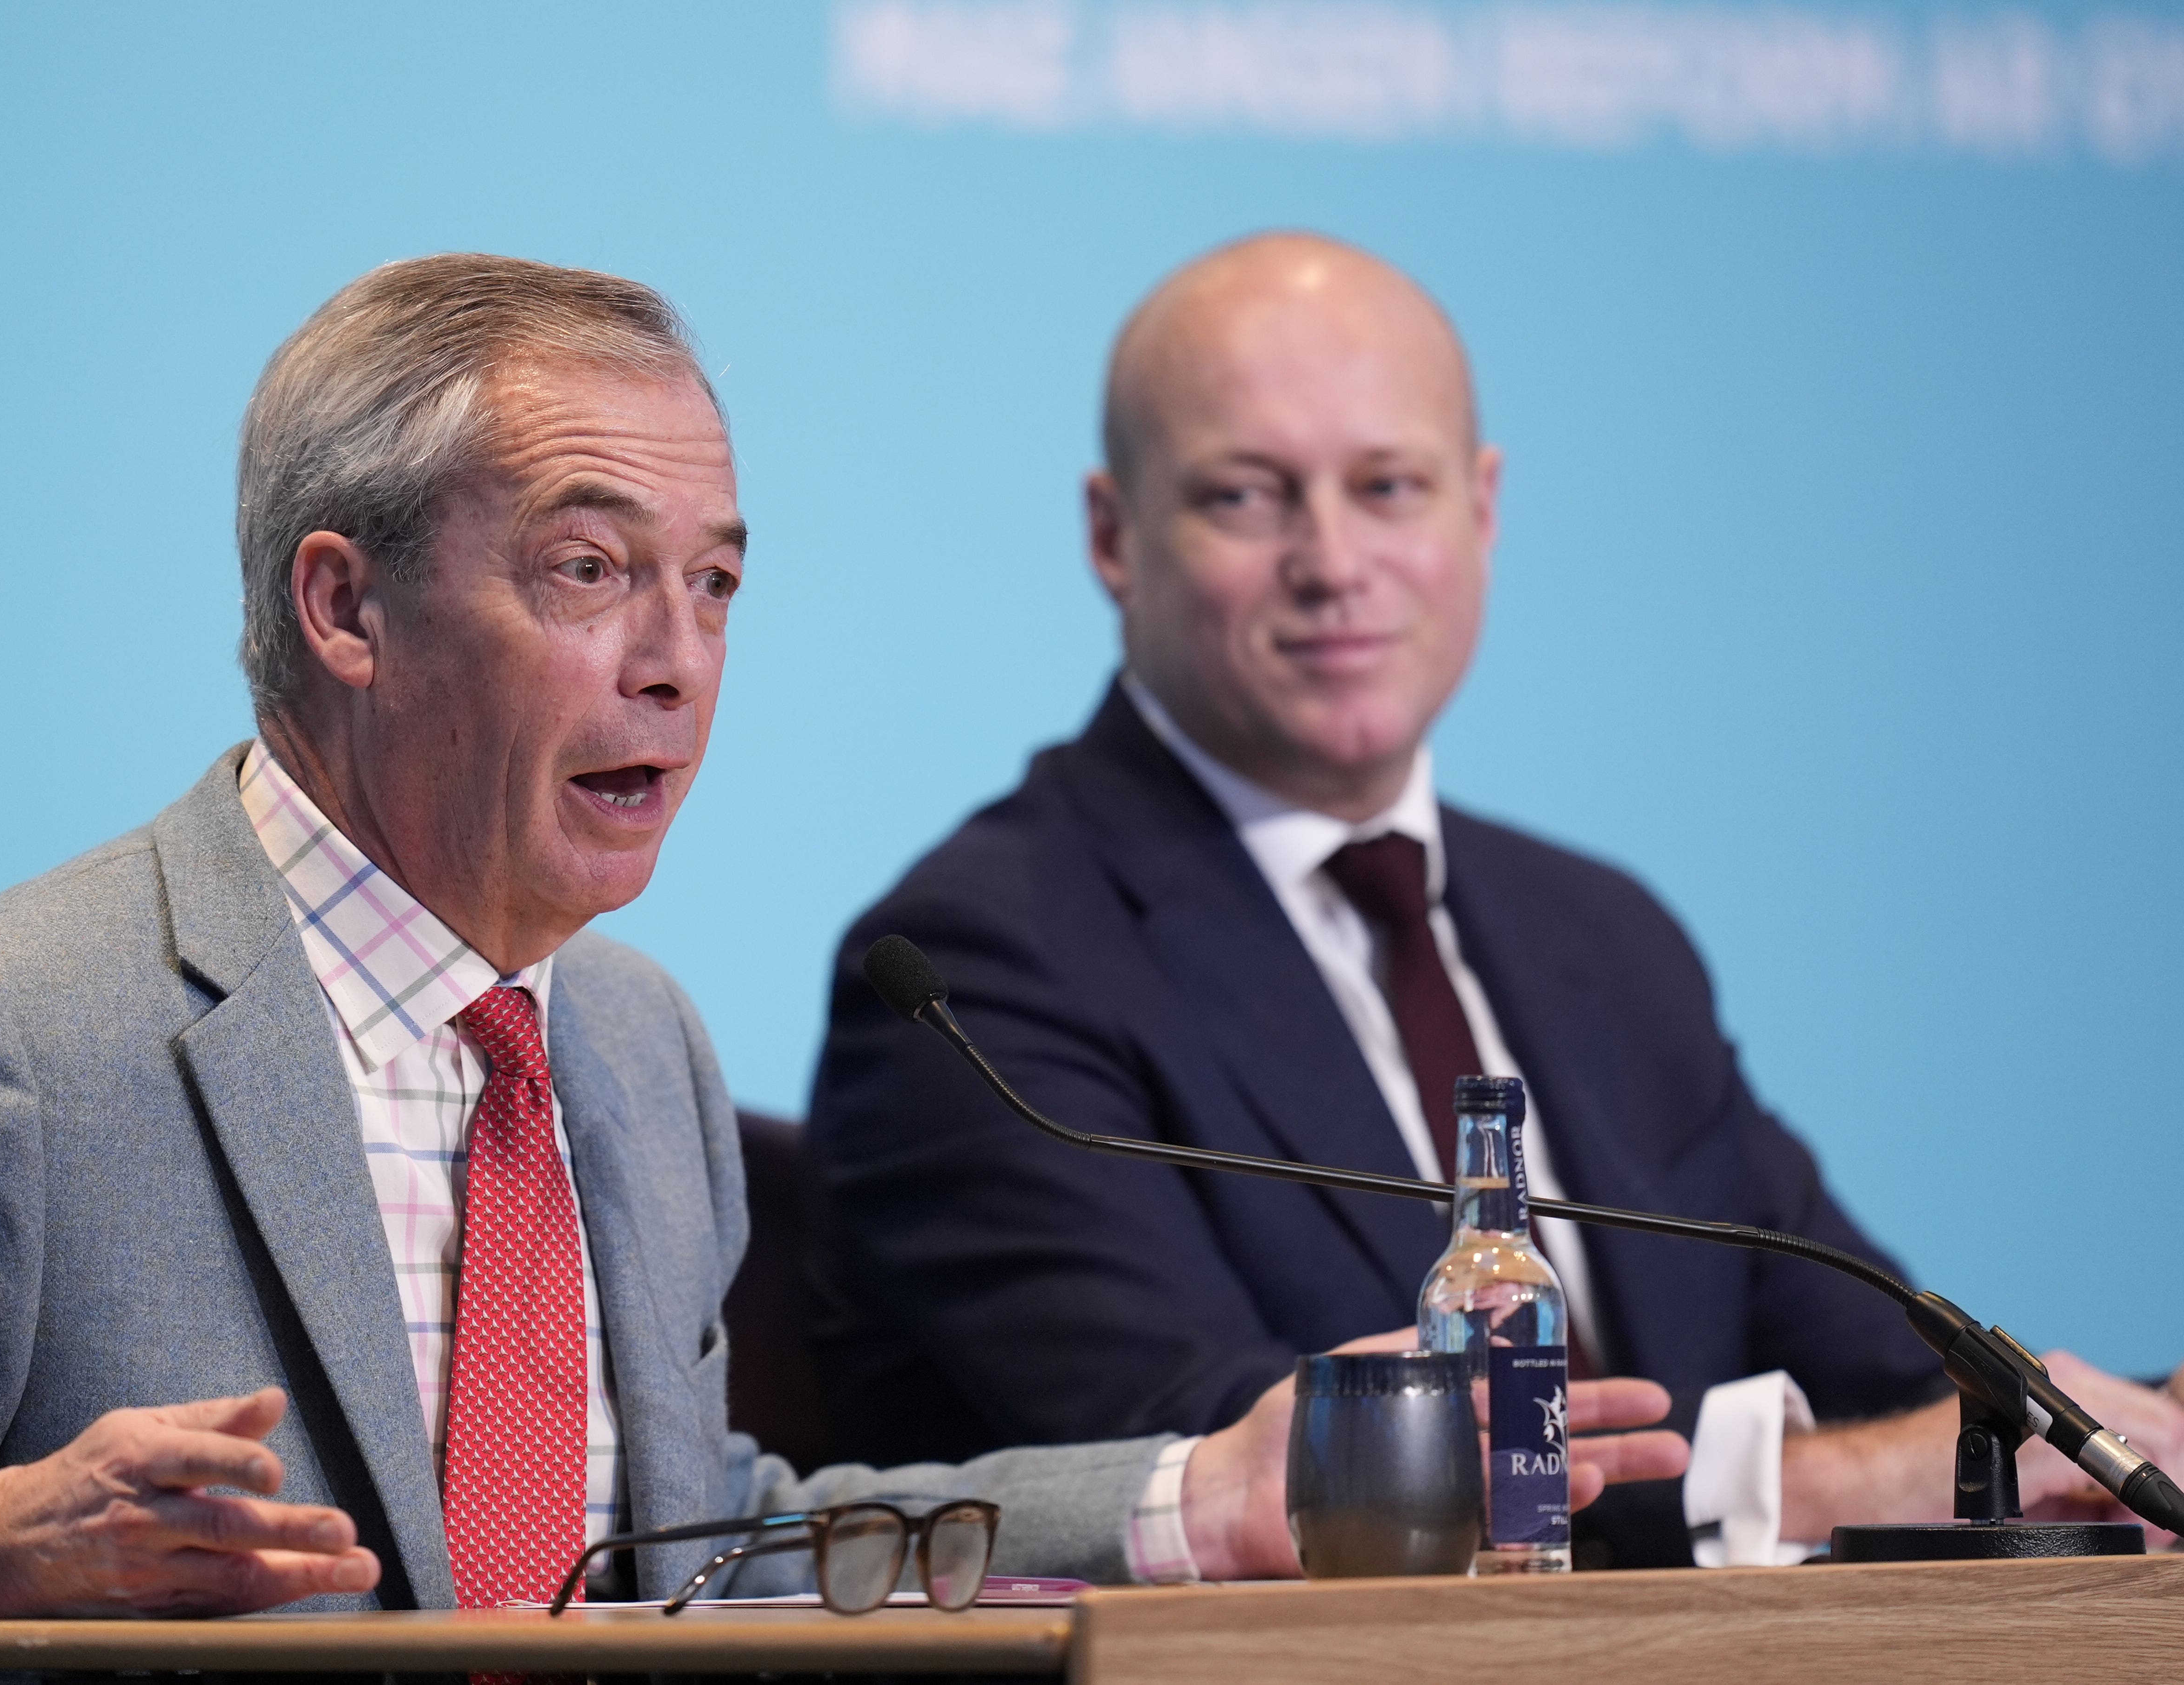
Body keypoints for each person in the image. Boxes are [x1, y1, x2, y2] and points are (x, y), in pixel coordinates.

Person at [0, 252, 1690, 1683]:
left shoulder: (629, 1046)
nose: (678, 661)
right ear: (346, 607)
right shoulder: (7, 1039)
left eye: (714, 584)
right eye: (589, 569)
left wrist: (1191, 1503)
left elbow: (698, 1554)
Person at [805, 233, 2184, 1569]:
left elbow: (1891, 1378)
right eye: (1246, 496)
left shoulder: (1603, 937)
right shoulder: (985, 967)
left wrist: (2097, 1436)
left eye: (1389, 486)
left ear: (1483, 508)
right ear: (1115, 537)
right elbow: (1249, 1474)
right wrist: (1806, 1485)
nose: (1333, 561)